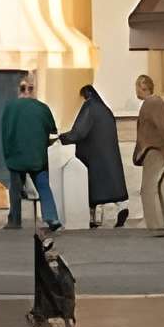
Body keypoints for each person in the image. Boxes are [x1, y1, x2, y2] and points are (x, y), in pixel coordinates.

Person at [60, 84, 129, 229]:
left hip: (94, 154)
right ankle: (121, 207)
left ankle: (93, 218)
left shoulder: (89, 107)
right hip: (109, 153)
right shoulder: (105, 109)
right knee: (112, 182)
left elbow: (79, 132)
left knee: (94, 187)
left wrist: (63, 138)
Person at [0, 74, 60, 231]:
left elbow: (5, 131)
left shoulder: (10, 107)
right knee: (43, 185)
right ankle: (51, 216)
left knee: (16, 189)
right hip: (37, 156)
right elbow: (53, 130)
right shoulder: (42, 108)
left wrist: (8, 152)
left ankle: (15, 220)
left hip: (16, 155)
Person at [133, 75, 164, 237]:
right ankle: (162, 224)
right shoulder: (153, 103)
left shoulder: (152, 103)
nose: (135, 90)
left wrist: (151, 146)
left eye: (136, 86)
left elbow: (162, 129)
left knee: (148, 189)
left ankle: (157, 226)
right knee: (156, 188)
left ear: (142, 86)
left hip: (155, 151)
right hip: (156, 150)